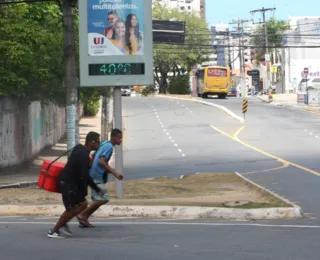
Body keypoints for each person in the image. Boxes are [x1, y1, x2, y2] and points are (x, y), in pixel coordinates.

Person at [47, 131, 103, 239]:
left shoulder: (79, 148)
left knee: (80, 204)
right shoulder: (84, 155)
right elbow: (85, 176)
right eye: (97, 142)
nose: (99, 144)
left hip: (69, 182)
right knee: (76, 207)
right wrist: (97, 188)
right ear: (92, 142)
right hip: (67, 183)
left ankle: (63, 224)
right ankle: (53, 230)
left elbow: (76, 167)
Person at [77, 129, 124, 227]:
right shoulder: (109, 146)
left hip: (94, 174)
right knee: (104, 198)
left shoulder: (105, 143)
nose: (121, 140)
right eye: (119, 138)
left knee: (98, 199)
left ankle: (84, 218)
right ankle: (82, 215)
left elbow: (95, 155)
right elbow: (102, 162)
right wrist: (115, 174)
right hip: (96, 175)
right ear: (114, 137)